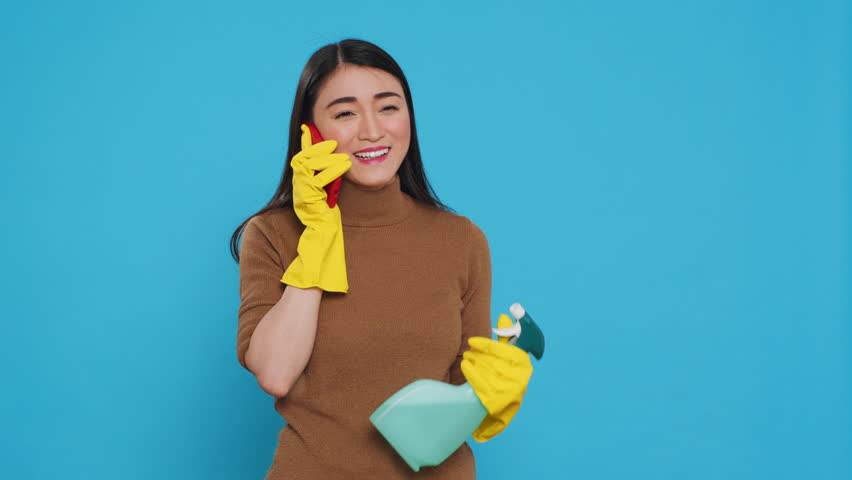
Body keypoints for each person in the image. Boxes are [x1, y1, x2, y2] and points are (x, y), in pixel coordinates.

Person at [229, 39, 530, 479]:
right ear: (310, 132)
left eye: (388, 107)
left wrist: (490, 394)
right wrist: (319, 237)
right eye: (345, 112)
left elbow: (460, 396)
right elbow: (275, 373)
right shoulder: (273, 234)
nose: (372, 130)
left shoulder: (461, 239)